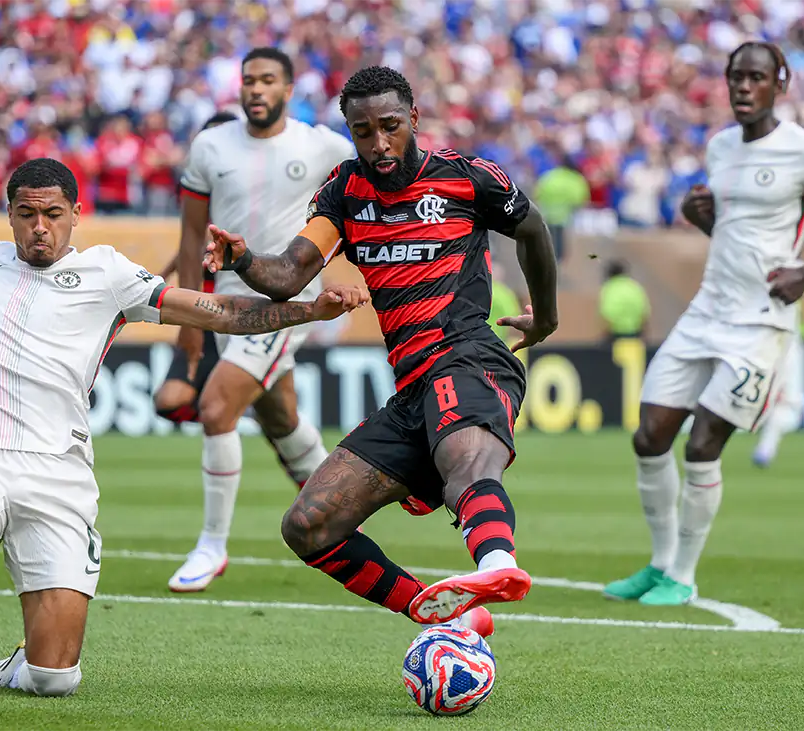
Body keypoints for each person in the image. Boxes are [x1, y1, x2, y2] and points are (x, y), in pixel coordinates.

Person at [0, 146, 366, 696]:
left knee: (55, 679)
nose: (39, 227)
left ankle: (12, 667)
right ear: (10, 216)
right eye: (26, 215)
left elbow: (216, 311)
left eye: (51, 214)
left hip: (59, 478)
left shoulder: (109, 275)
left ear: (74, 215)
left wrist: (306, 310)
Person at [203, 66, 559, 636]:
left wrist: (547, 315)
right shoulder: (344, 192)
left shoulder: (466, 179)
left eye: (390, 126)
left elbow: (534, 228)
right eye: (363, 131)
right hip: (411, 391)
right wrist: (244, 259)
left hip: (467, 357)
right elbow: (289, 274)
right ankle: (441, 613)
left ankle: (496, 565)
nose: (379, 143)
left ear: (413, 119)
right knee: (309, 526)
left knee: (465, 464)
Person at [603, 42, 804, 606]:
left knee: (702, 444)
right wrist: (704, 221)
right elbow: (737, 237)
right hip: (707, 309)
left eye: (756, 77)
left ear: (781, 83)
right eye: (735, 77)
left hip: (760, 322)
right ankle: (657, 565)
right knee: (649, 434)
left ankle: (681, 574)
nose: (743, 87)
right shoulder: (720, 147)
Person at [166, 48, 356, 593]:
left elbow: (370, 189)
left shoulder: (321, 146)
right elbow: (188, 236)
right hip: (225, 305)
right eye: (248, 79)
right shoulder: (210, 146)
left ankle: (210, 545)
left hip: (286, 303)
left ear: (288, 88)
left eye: (267, 80)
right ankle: (340, 512)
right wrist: (187, 314)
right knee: (280, 417)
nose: (256, 88)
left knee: (217, 405)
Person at [152, 110, 239, 426]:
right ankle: (227, 412)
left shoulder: (247, 195)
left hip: (236, 313)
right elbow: (191, 245)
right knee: (168, 403)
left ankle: (230, 410)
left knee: (279, 418)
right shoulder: (197, 190)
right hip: (201, 314)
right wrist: (163, 275)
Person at [752, 281, 804, 468]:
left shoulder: (786, 276)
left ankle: (765, 449)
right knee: (775, 398)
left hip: (781, 347)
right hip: (774, 347)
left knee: (778, 399)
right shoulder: (782, 275)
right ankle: (800, 403)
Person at [598, 260, 650, 340]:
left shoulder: (609, 288)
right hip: (635, 334)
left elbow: (606, 314)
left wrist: (603, 334)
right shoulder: (635, 287)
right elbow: (644, 312)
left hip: (615, 335)